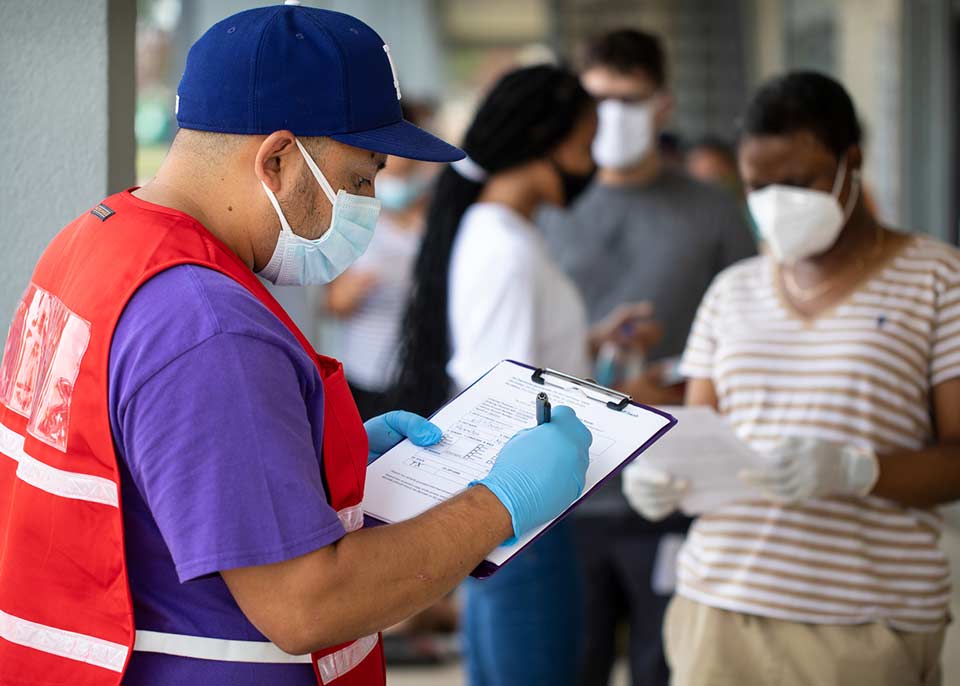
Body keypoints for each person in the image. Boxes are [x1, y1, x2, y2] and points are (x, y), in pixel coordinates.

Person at [0, 6, 594, 686]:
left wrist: (307, 452)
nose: (368, 202)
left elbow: (145, 463)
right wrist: (501, 502)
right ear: (278, 159)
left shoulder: (97, 240)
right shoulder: (209, 325)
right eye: (361, 177)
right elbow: (307, 606)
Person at [624, 71, 960, 686]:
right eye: (758, 185)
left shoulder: (939, 279)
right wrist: (664, 479)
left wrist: (859, 471)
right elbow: (699, 434)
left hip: (866, 626)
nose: (777, 201)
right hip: (719, 609)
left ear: (850, 162)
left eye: (798, 181)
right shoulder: (734, 290)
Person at [537, 28, 756, 686]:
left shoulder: (712, 212)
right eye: (598, 101)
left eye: (629, 101)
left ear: (663, 104)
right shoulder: (546, 207)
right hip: (563, 490)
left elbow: (750, 340)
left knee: (672, 665)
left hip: (675, 487)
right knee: (571, 665)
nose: (612, 118)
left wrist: (685, 388)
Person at [393, 64, 598, 686]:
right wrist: (623, 399)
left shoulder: (508, 234)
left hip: (530, 509)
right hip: (527, 512)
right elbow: (504, 392)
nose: (591, 165)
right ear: (544, 139)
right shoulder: (502, 242)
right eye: (585, 145)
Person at [326, 102, 437, 420]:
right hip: (369, 376)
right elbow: (334, 301)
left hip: (421, 373)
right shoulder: (355, 218)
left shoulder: (434, 212)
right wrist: (352, 292)